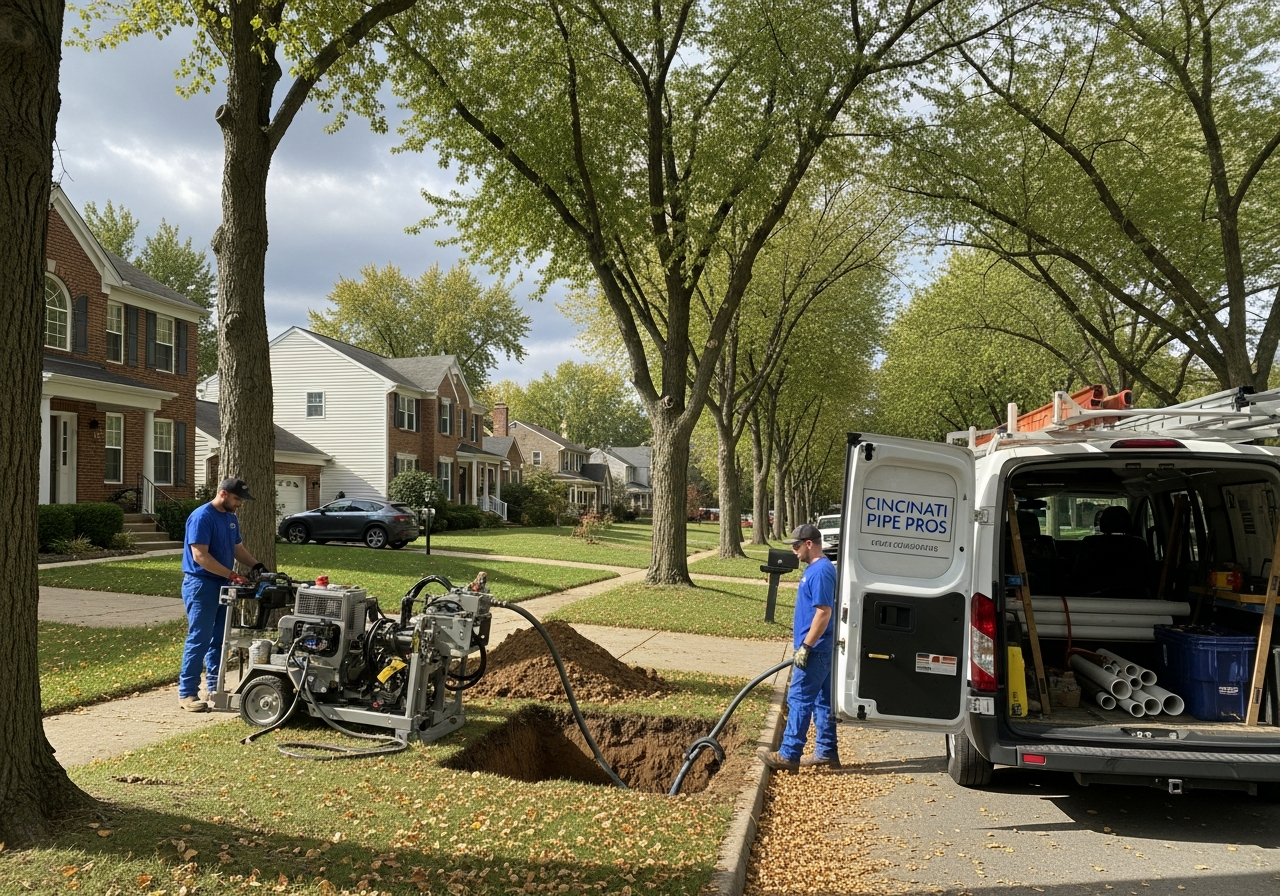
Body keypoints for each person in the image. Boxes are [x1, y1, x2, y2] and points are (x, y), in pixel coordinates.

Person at [758, 523, 840, 771]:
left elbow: (824, 613)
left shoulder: (821, 572)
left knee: (799, 699)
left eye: (796, 546)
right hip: (820, 647)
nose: (793, 551)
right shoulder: (818, 570)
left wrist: (806, 646)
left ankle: (789, 755)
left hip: (816, 649)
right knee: (823, 701)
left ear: (809, 544)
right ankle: (826, 752)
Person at [179, 477, 264, 712]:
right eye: (238, 499)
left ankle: (215, 688)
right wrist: (232, 574)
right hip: (201, 584)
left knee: (220, 639)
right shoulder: (202, 516)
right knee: (200, 638)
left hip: (223, 585)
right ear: (224, 494)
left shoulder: (230, 518)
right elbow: (200, 556)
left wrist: (257, 566)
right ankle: (187, 693)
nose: (240, 504)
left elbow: (238, 549)